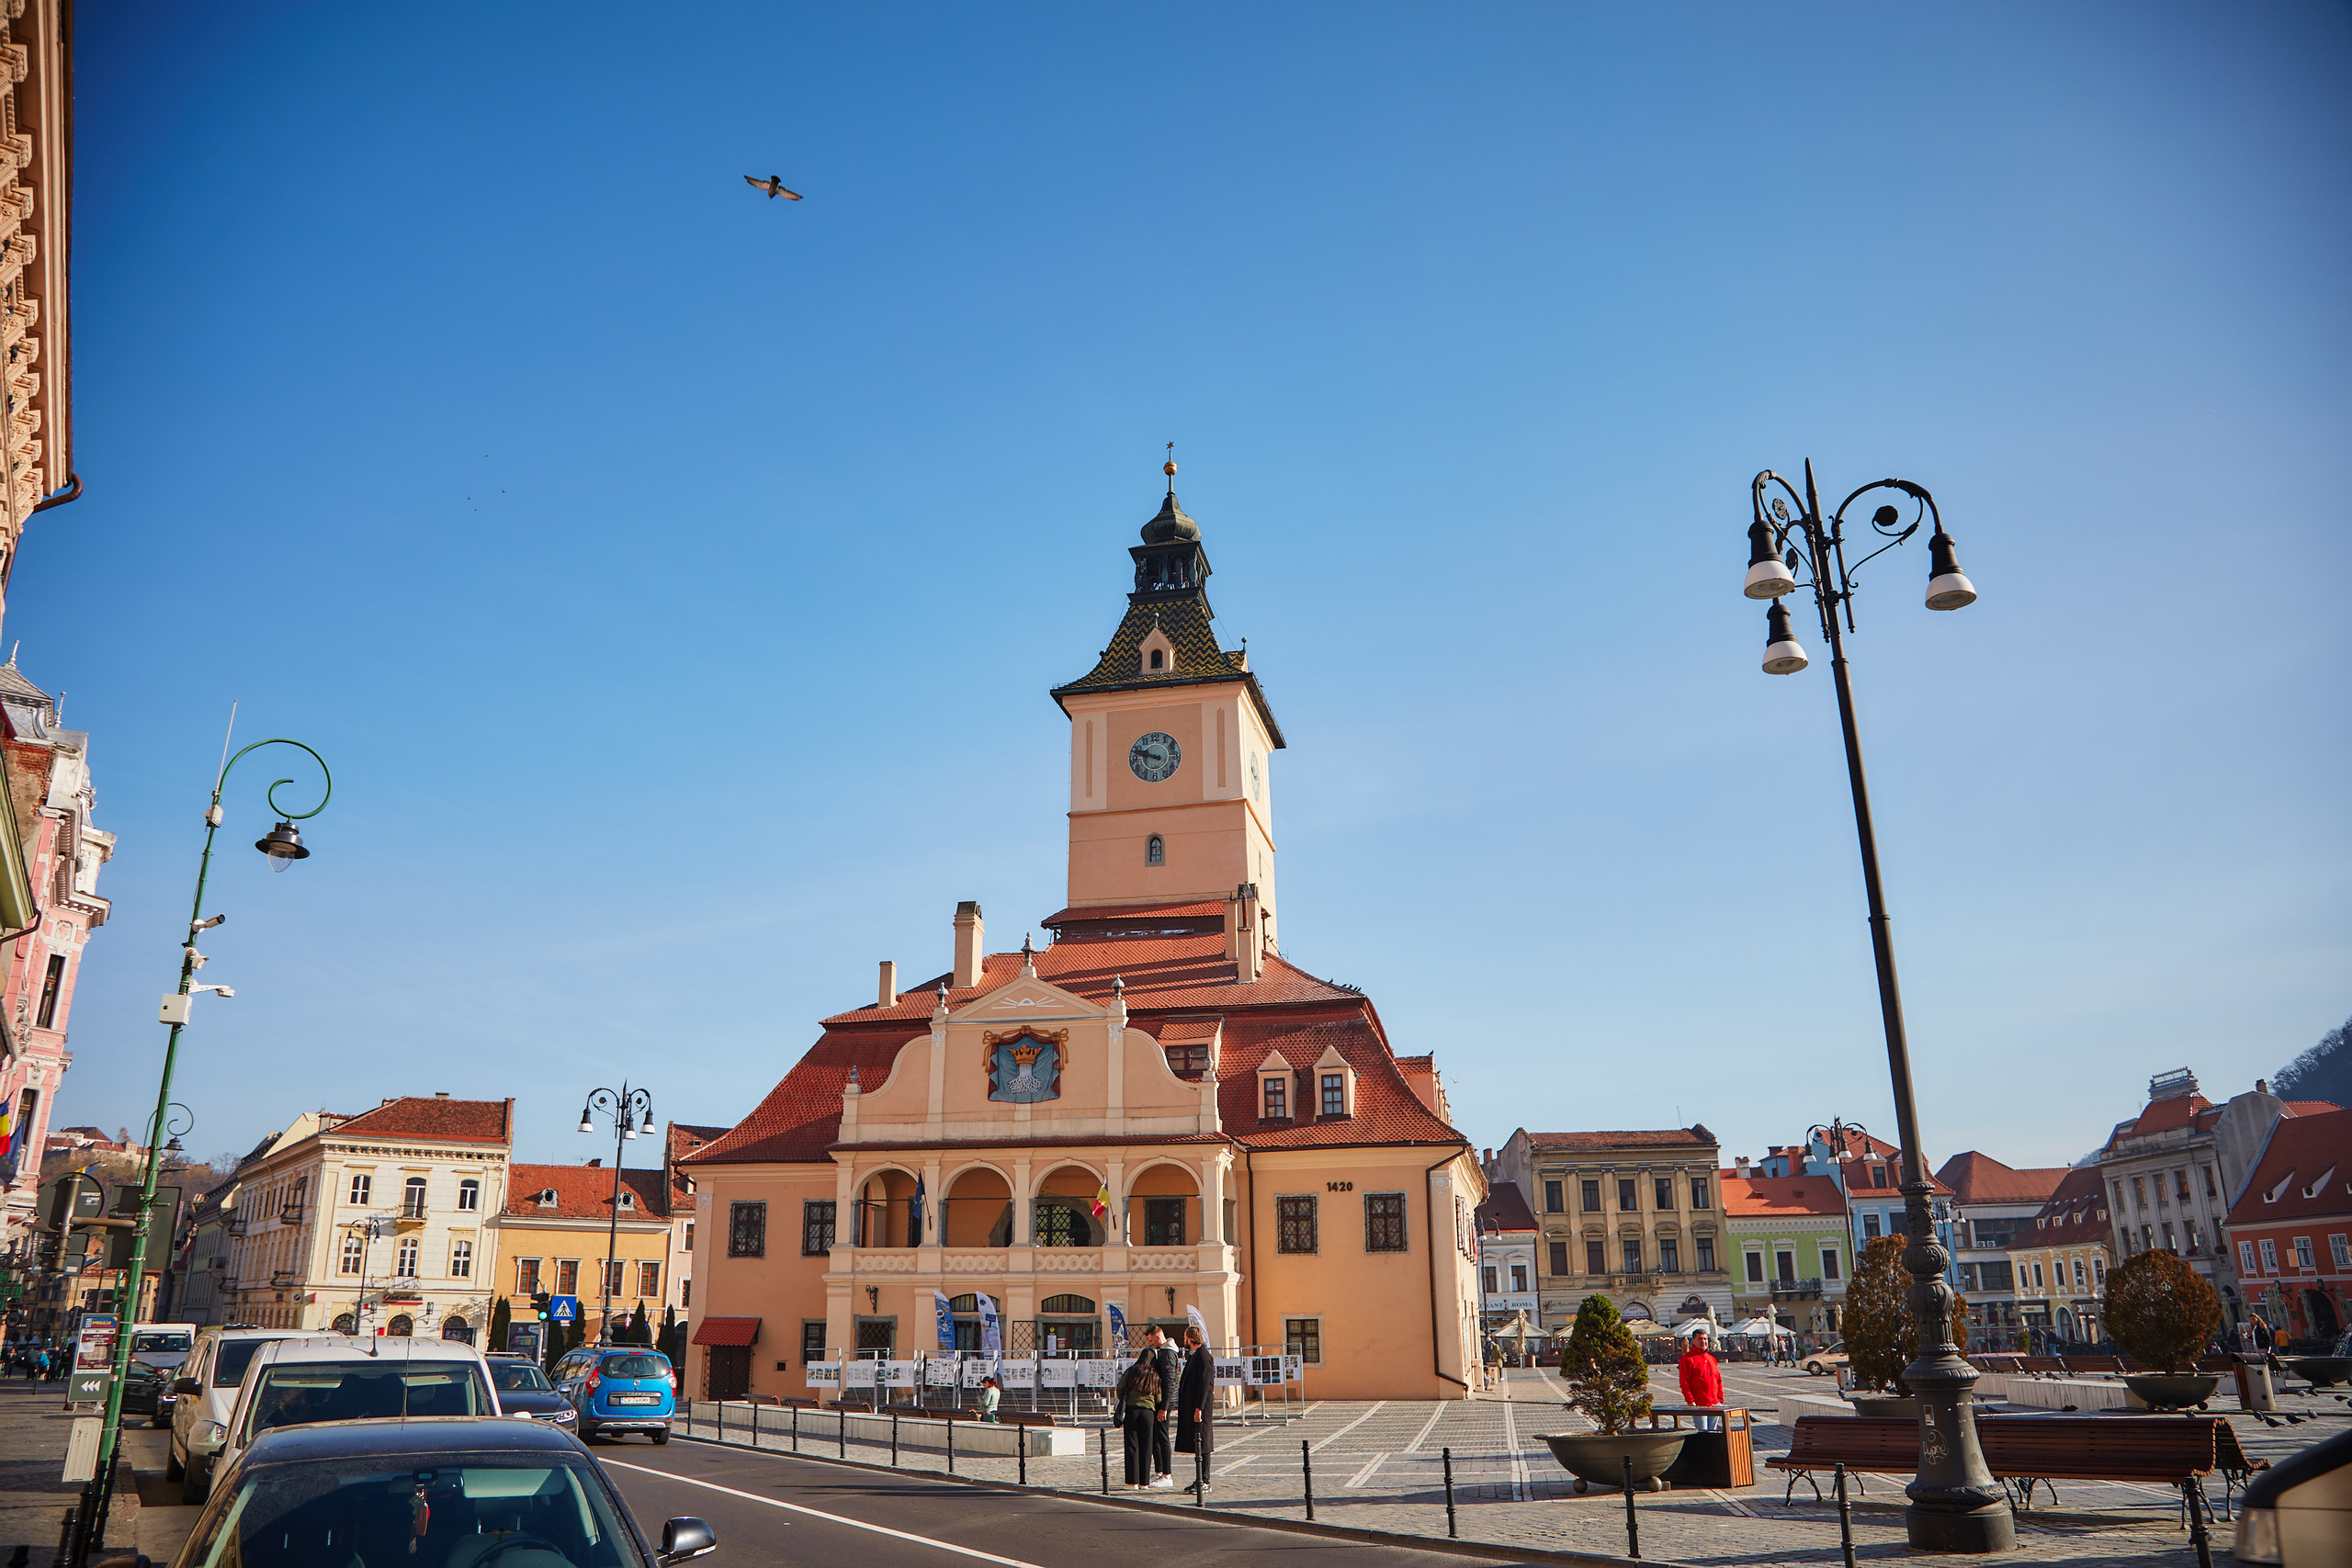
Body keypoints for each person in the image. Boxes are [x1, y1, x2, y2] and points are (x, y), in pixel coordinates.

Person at [1174, 1325, 1216, 1494]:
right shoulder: (1194, 1355)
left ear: (1191, 1339)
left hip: (1201, 1409)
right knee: (1198, 1444)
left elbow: (1205, 1385)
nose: (1183, 1340)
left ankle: (1205, 1481)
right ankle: (1199, 1478)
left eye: (1185, 1338)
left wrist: (1199, 1408)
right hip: (1194, 1407)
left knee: (1203, 1444)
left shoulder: (1204, 1357)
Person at [1139, 1325, 1181, 1489]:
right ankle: (1160, 1472)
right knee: (1157, 1437)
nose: (1150, 1343)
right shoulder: (1164, 1351)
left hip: (1164, 1403)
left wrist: (1165, 1406)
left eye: (1151, 1340)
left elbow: (1170, 1382)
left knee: (1163, 1437)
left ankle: (1167, 1475)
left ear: (1157, 1337)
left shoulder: (1168, 1353)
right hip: (1161, 1401)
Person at [1117, 1351, 1161, 1489]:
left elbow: (1120, 1388)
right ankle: (1144, 1482)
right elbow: (1159, 1396)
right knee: (1147, 1447)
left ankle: (1132, 1482)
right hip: (1148, 1412)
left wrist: (1125, 1399)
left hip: (1132, 1410)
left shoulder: (1131, 1371)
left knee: (1132, 1446)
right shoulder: (1155, 1374)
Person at [1679, 1326, 1724, 1430]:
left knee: (1713, 1432)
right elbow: (1684, 1382)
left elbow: (1718, 1380)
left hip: (1715, 1403)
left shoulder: (1712, 1359)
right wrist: (1691, 1401)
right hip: (1699, 1404)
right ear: (1693, 1340)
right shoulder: (1687, 1359)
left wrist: (1720, 1399)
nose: (1703, 1341)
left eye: (1705, 1339)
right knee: (1702, 1432)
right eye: (1700, 1339)